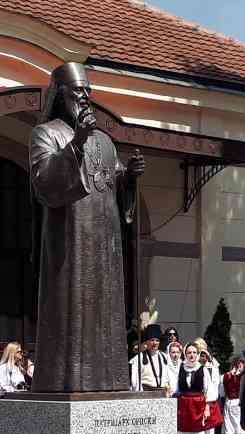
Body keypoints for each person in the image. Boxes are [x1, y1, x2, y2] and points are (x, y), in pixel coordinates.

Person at [29, 62, 144, 392]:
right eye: (78, 91)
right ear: (60, 94)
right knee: (72, 309)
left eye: (88, 92)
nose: (85, 98)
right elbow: (44, 182)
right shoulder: (46, 133)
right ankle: (68, 380)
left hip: (104, 239)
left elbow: (112, 181)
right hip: (71, 241)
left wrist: (130, 178)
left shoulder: (105, 141)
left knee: (106, 310)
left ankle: (109, 379)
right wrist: (75, 144)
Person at [175, 342, 219, 434]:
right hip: (184, 405)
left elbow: (208, 389)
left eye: (194, 352)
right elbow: (177, 387)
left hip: (198, 405)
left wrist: (207, 408)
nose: (192, 355)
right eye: (189, 353)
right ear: (185, 354)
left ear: (198, 354)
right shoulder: (181, 368)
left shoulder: (203, 369)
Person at [220, 356, 245, 434]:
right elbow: (223, 393)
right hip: (233, 403)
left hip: (237, 403)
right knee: (232, 428)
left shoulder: (234, 376)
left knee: (239, 427)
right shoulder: (228, 376)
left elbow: (222, 393)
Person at [130, 324, 170, 393]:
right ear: (146, 342)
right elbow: (135, 380)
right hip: (146, 393)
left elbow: (169, 376)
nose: (155, 343)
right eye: (152, 340)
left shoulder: (165, 357)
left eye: (157, 340)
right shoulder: (138, 358)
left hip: (163, 393)